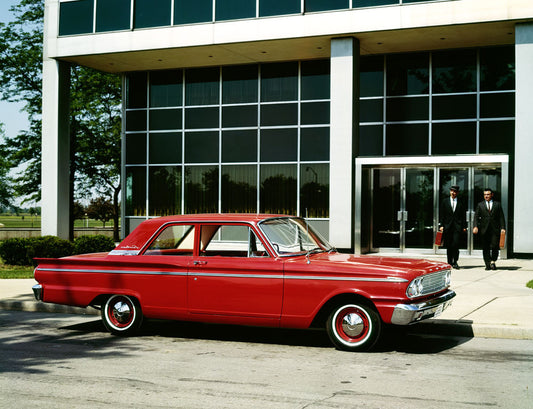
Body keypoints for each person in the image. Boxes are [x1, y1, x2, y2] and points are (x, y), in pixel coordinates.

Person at [473, 188, 506, 270]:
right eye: (485, 195)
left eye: (488, 194)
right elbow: (476, 217)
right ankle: (487, 263)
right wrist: (475, 226)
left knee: (495, 246)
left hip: (495, 229)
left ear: (492, 195)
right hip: (484, 229)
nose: (486, 196)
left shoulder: (497, 204)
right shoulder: (480, 205)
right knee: (485, 247)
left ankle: (493, 260)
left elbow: (501, 217)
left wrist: (503, 228)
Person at [439, 185, 466, 269]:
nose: (453, 193)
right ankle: (449, 262)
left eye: (454, 191)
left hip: (457, 226)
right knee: (449, 245)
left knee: (456, 244)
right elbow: (442, 214)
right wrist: (441, 225)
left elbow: (463, 215)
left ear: (457, 193)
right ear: (450, 192)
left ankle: (455, 261)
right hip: (447, 226)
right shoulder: (445, 201)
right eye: (451, 191)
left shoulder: (461, 202)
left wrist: (464, 226)